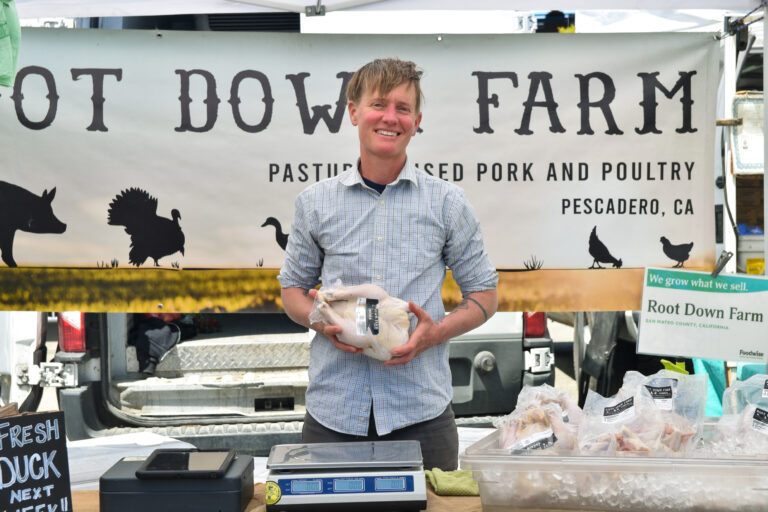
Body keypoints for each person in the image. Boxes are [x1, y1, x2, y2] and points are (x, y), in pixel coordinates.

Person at [278, 57, 498, 471]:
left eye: (403, 108)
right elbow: (292, 291)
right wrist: (318, 321)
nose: (390, 118)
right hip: (334, 415)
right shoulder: (315, 203)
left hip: (421, 418)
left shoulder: (447, 203)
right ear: (354, 111)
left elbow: (485, 295)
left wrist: (436, 333)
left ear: (417, 121)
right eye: (379, 104)